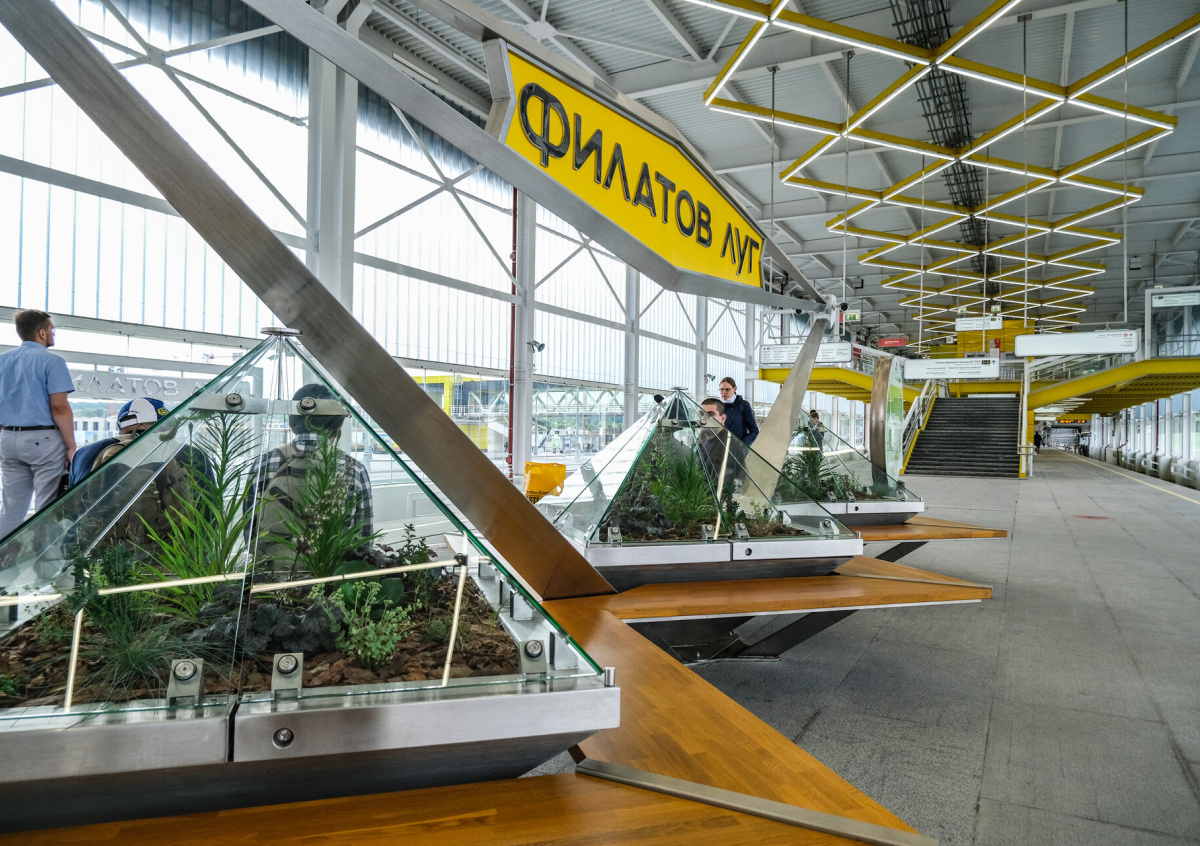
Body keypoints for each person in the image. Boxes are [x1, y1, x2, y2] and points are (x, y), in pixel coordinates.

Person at [65, 397, 214, 552]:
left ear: (122, 428)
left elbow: (73, 511)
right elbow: (208, 512)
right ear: (165, 426)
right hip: (165, 554)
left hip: (99, 552)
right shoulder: (189, 453)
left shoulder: (83, 455)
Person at [251, 383, 373, 570]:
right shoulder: (355, 469)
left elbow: (251, 534)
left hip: (272, 578)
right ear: (340, 424)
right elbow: (363, 543)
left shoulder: (262, 464)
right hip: (332, 580)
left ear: (291, 422)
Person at [0, 309, 76, 538]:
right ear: (42, 332)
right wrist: (71, 445)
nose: (53, 334)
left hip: (8, 439)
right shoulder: (53, 361)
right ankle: (44, 560)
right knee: (47, 508)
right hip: (43, 441)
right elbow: (59, 407)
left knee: (11, 511)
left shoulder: (2, 360)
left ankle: (5, 557)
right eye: (52, 329)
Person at [697, 397, 736, 495]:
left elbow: (718, 486)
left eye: (710, 414)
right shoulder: (703, 440)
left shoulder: (726, 443)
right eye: (701, 414)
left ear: (723, 418)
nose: (704, 419)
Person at [718, 377, 758, 447]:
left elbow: (754, 431)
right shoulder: (716, 405)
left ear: (735, 389)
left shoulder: (744, 405)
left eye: (727, 389)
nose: (724, 392)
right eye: (721, 389)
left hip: (738, 449)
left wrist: (743, 444)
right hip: (719, 448)